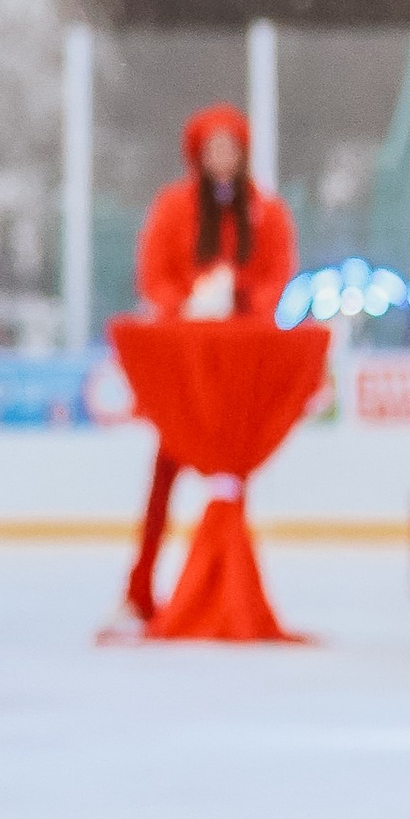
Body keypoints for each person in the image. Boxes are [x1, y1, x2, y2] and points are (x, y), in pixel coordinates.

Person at [123, 106, 298, 624]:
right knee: (166, 470)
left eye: (231, 148)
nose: (222, 159)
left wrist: (239, 298)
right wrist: (190, 302)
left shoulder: (266, 213)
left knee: (231, 477)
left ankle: (227, 587)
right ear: (197, 154)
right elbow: (153, 276)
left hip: (240, 366)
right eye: (213, 148)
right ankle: (141, 583)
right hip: (187, 366)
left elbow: (275, 279)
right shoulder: (174, 208)